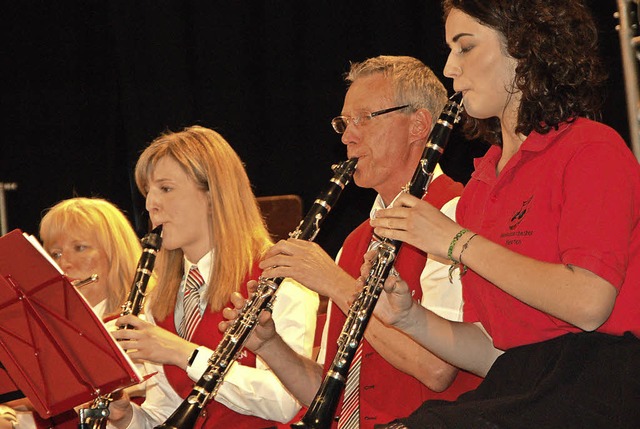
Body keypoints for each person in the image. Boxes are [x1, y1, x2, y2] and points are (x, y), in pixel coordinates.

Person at [366, 1, 640, 428]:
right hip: (523, 385)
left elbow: (589, 304)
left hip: (601, 382)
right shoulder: (480, 188)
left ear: (527, 49)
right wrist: (408, 317)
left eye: (465, 48)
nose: (450, 68)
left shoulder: (591, 150)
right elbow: (492, 351)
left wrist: (455, 242)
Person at [223, 55, 481, 429]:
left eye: (364, 118)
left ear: (419, 125)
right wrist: (268, 346)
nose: (347, 136)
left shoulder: (457, 215)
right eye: (344, 122)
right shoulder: (357, 241)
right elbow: (332, 396)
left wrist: (335, 283)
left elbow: (438, 369)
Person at [106, 125, 318, 429]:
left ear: (212, 196)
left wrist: (183, 353)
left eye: (165, 188)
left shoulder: (282, 278)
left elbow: (285, 402)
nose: (151, 204)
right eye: (148, 192)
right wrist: (128, 418)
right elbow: (167, 411)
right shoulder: (159, 300)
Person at [1, 197, 146, 429]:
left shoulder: (140, 325)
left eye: (80, 248)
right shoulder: (41, 335)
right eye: (55, 254)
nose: (64, 264)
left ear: (116, 254)